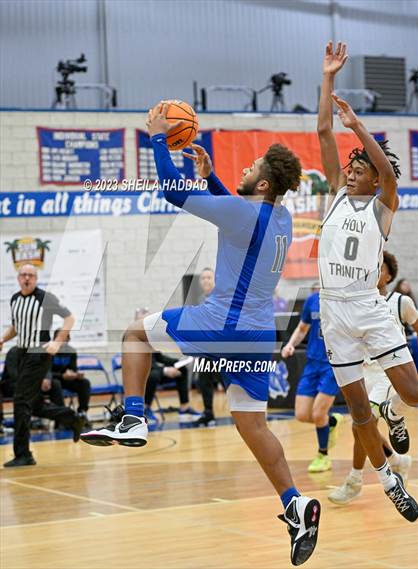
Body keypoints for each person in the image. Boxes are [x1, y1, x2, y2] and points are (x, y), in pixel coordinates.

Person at [82, 104, 321, 565]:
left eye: (252, 167)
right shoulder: (282, 218)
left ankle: (133, 418)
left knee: (135, 335)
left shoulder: (242, 212)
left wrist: (157, 137)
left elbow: (173, 192)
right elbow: (235, 216)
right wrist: (211, 179)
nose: (245, 170)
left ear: (264, 185)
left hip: (223, 323)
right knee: (252, 425)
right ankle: (294, 504)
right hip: (258, 335)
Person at [317, 40, 418, 521]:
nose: (353, 173)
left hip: (369, 306)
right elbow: (322, 130)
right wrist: (327, 78)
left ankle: (395, 414)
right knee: (358, 413)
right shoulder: (336, 195)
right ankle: (388, 481)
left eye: (361, 170)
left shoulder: (383, 205)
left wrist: (357, 125)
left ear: (375, 180)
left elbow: (385, 172)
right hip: (333, 310)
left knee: (413, 394)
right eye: (351, 168)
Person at [329, 251, 418, 504]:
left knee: (361, 424)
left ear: (389, 275)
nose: (372, 272)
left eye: (379, 268)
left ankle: (355, 480)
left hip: (388, 373)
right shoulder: (358, 304)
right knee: (362, 426)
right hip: (364, 371)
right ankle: (396, 460)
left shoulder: (400, 302)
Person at [0, 264, 83, 467]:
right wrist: (2, 338)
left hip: (38, 353)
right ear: (18, 278)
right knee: (33, 403)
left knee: (20, 399)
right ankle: (71, 418)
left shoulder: (45, 298)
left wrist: (57, 342)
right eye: (23, 275)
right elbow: (16, 327)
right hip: (21, 353)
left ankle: (23, 454)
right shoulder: (15, 299)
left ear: (36, 279)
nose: (27, 278)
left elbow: (70, 318)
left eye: (31, 275)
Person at [281, 284, 342, 473]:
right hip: (312, 363)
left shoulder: (344, 299)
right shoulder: (312, 300)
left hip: (333, 365)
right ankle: (332, 422)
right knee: (301, 414)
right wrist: (290, 344)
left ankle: (323, 455)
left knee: (317, 414)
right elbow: (302, 328)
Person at [194, 267, 221, 427]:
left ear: (214, 280)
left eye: (209, 277)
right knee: (203, 381)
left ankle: (242, 413)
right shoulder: (199, 300)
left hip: (221, 349)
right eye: (203, 278)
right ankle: (208, 413)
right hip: (204, 350)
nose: (206, 280)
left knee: (227, 380)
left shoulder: (221, 299)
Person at [144, 351, 200, 425]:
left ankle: (184, 408)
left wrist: (178, 362)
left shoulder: (150, 345)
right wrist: (164, 370)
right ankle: (145, 409)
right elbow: (141, 364)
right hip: (141, 373)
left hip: (155, 370)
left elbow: (159, 358)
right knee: (154, 375)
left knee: (182, 369)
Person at [50, 329, 92, 424]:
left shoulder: (71, 351)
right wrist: (61, 376)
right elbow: (46, 372)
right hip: (54, 380)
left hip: (67, 379)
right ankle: (61, 416)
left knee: (84, 383)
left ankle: (82, 413)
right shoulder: (49, 352)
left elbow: (73, 369)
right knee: (56, 384)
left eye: (65, 338)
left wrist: (76, 375)